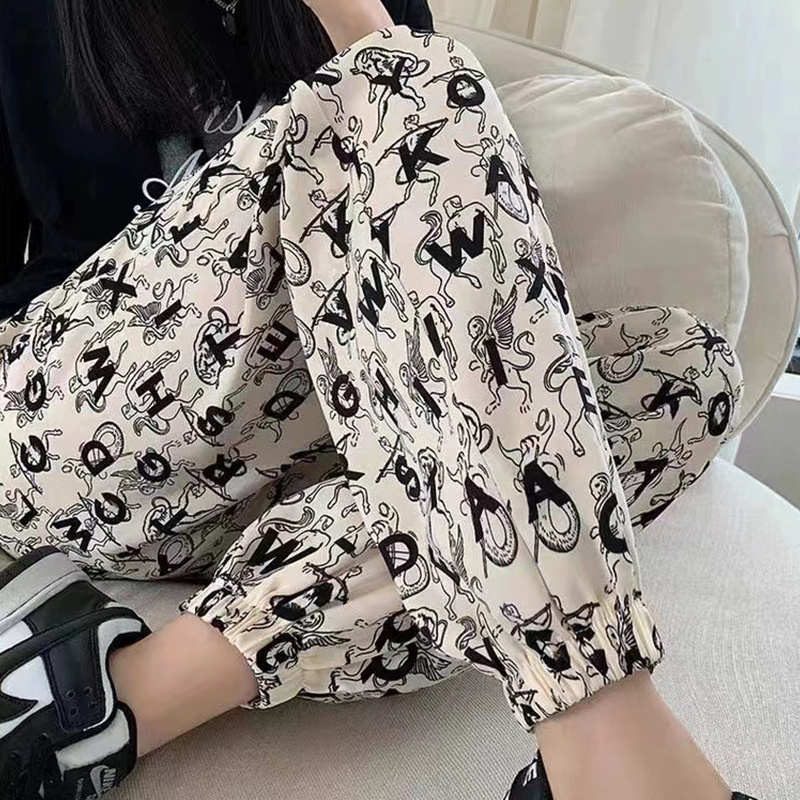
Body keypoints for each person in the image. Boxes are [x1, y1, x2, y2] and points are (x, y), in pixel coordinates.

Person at [0, 1, 756, 799]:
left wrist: (357, 19)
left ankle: (113, 700)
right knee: (400, 78)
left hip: (304, 444)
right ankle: (601, 740)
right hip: (76, 429)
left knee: (684, 379)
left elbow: (443, 218)